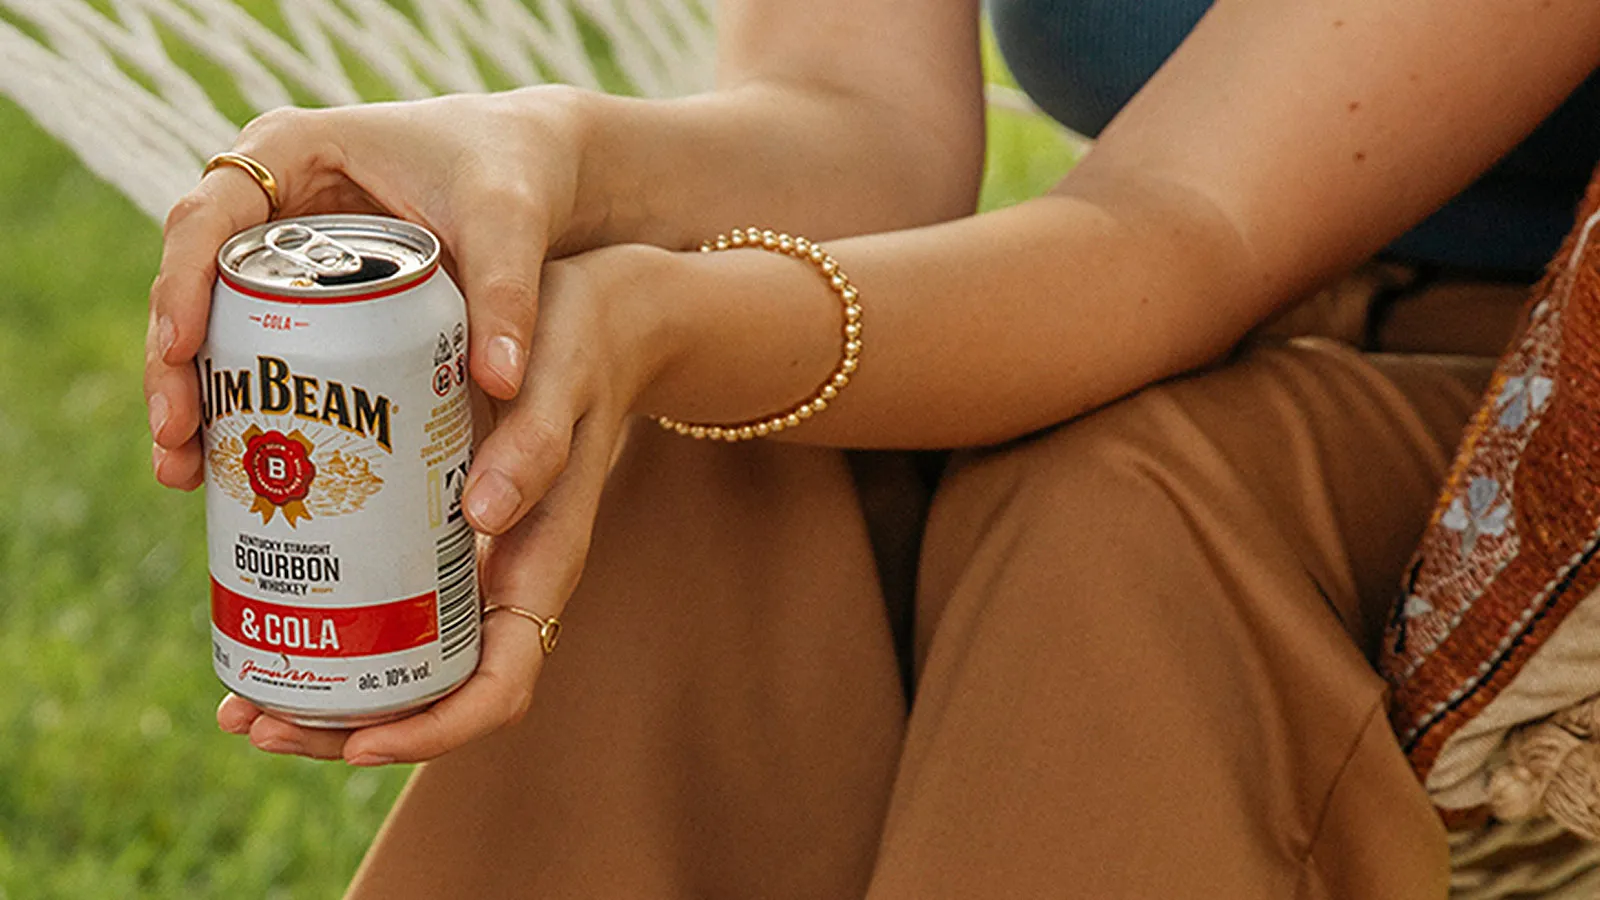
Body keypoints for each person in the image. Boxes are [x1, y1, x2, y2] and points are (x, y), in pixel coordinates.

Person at [142, 1, 1600, 896]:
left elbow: (1187, 232)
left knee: (1126, 517)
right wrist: (546, 149)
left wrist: (665, 315)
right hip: (1152, 294)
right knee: (723, 456)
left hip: (1542, 397)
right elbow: (858, 129)